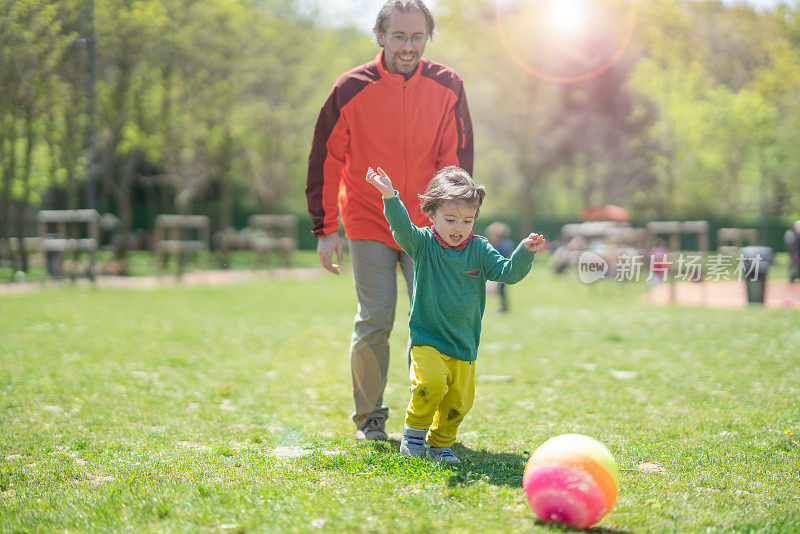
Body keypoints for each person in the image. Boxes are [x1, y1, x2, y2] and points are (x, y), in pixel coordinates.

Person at [306, 0, 473, 442]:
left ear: (427, 38)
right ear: (381, 36)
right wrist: (325, 229)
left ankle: (429, 423)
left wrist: (454, 225)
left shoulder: (448, 85)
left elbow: (454, 164)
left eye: (417, 36)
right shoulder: (350, 88)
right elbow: (326, 159)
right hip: (368, 219)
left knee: (435, 321)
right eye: (399, 36)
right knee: (375, 319)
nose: (408, 45)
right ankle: (370, 419)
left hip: (427, 229)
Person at [365, 166, 544, 463]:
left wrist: (524, 251)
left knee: (458, 402)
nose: (458, 227)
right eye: (450, 220)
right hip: (427, 339)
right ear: (432, 215)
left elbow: (507, 274)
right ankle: (413, 435)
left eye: (467, 220)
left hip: (464, 344)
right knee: (430, 384)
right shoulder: (422, 244)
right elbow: (401, 229)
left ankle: (440, 444)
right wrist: (390, 196)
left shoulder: (480, 249)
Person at [485, 222, 515, 312]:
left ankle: (504, 307)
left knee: (501, 289)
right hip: (503, 270)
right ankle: (504, 306)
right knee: (501, 290)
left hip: (503, 269)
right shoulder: (505, 243)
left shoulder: (502, 245)